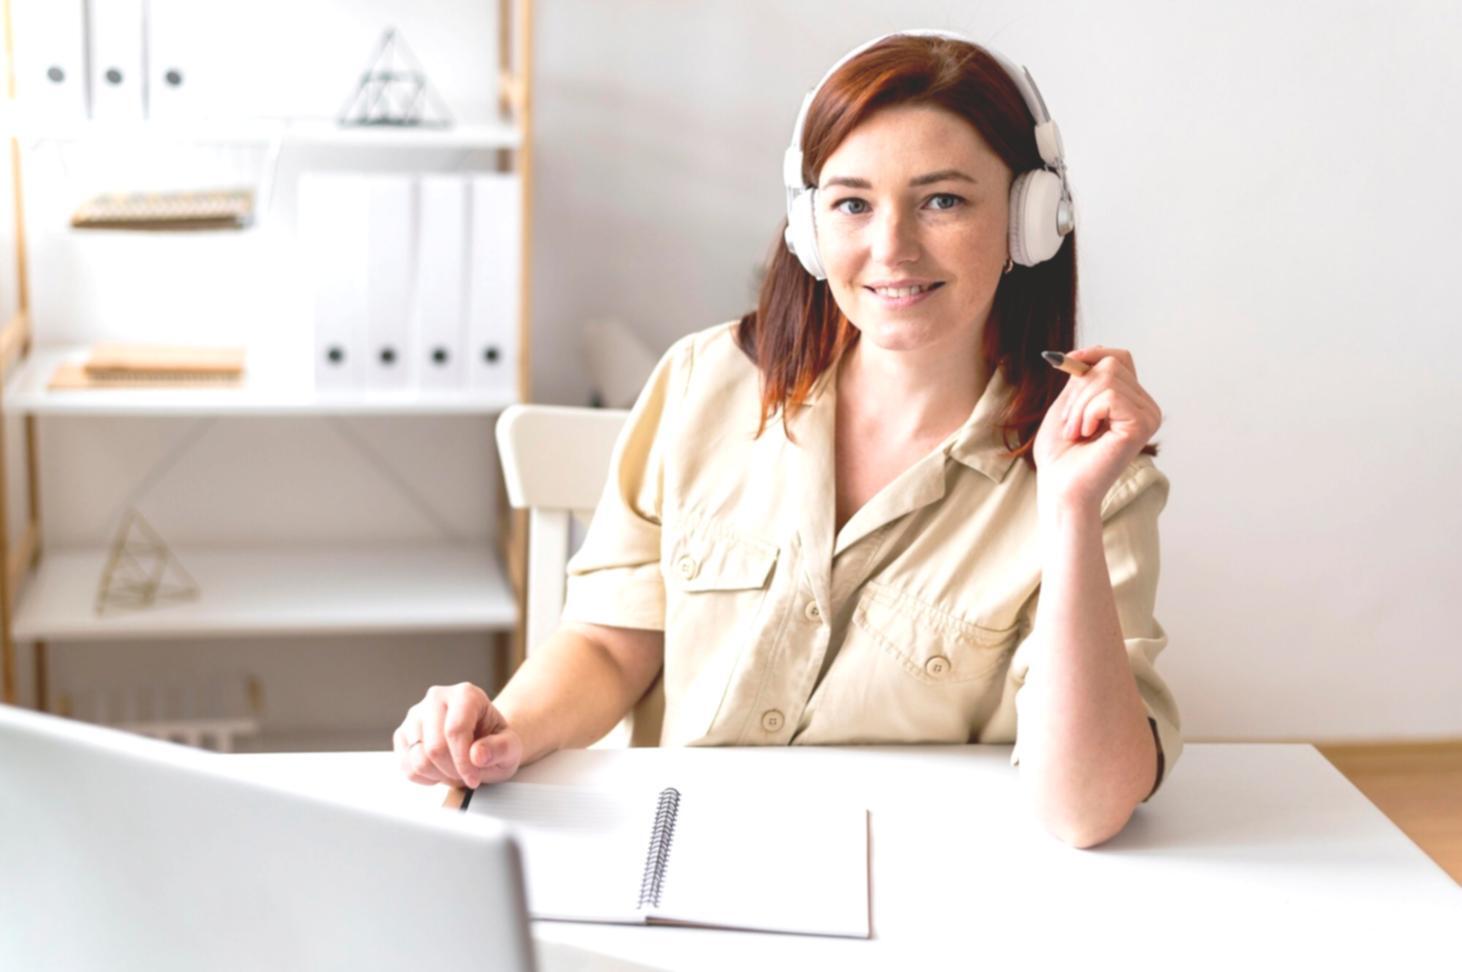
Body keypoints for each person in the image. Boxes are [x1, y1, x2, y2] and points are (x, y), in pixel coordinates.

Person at [395, 30, 1181, 848]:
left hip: (920, 876)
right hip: (680, 853)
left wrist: (1071, 509)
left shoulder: (1095, 477)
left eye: (942, 200)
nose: (891, 249)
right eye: (852, 203)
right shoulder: (704, 381)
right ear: (808, 226)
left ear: (1031, 222)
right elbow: (607, 641)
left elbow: (1083, 810)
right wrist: (508, 729)